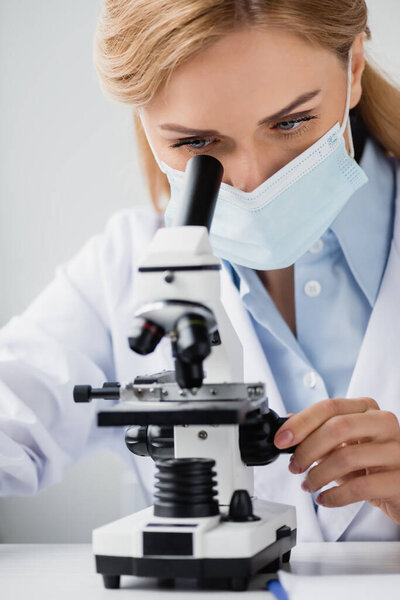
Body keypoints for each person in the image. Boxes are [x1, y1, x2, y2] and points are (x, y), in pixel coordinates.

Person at [1, 0, 400, 543]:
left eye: (292, 122)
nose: (253, 180)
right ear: (146, 124)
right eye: (198, 144)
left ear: (352, 68)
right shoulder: (126, 263)